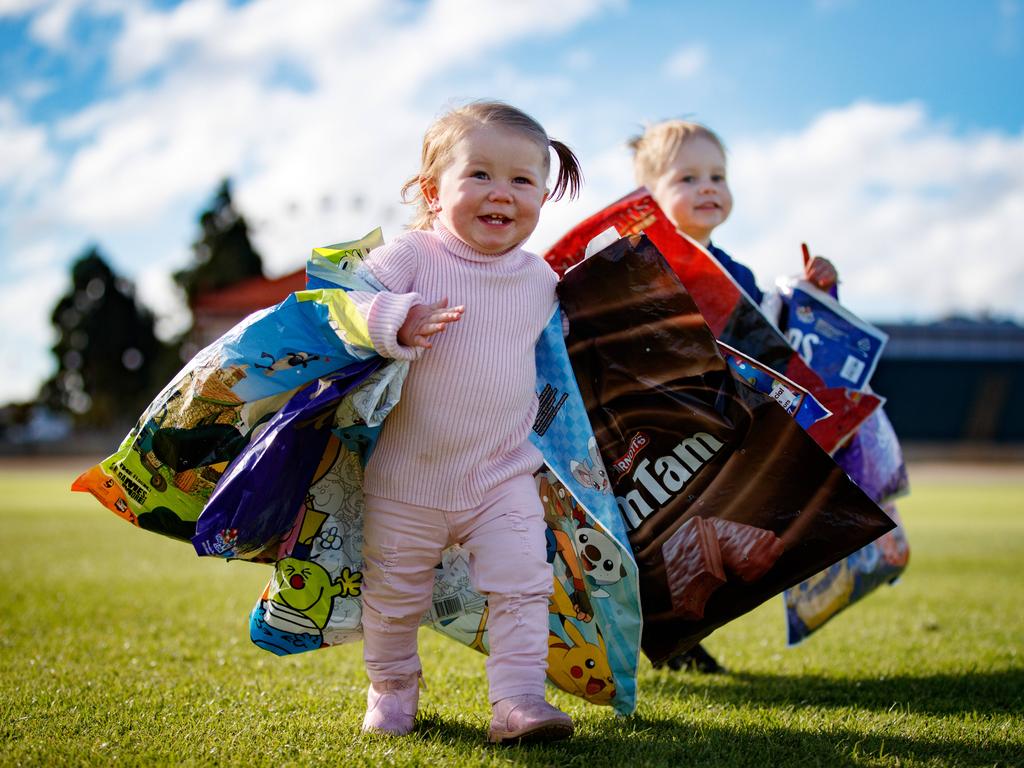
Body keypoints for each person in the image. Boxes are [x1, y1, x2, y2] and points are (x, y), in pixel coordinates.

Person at [349, 100, 583, 743]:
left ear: (542, 193)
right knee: (393, 599)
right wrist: (395, 319)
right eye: (479, 174)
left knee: (523, 587)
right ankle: (393, 687)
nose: (500, 193)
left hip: (501, 474)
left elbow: (569, 355)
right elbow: (345, 301)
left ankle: (516, 702)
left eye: (521, 180)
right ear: (432, 191)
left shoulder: (540, 279)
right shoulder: (414, 255)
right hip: (406, 477)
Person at [628, 119, 838, 674]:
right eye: (688, 177)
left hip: (720, 430)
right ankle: (658, 636)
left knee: (706, 546)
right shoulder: (637, 262)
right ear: (649, 197)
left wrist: (814, 294)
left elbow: (774, 346)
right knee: (656, 540)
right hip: (656, 429)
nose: (708, 188)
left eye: (717, 176)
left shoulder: (738, 272)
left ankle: (682, 637)